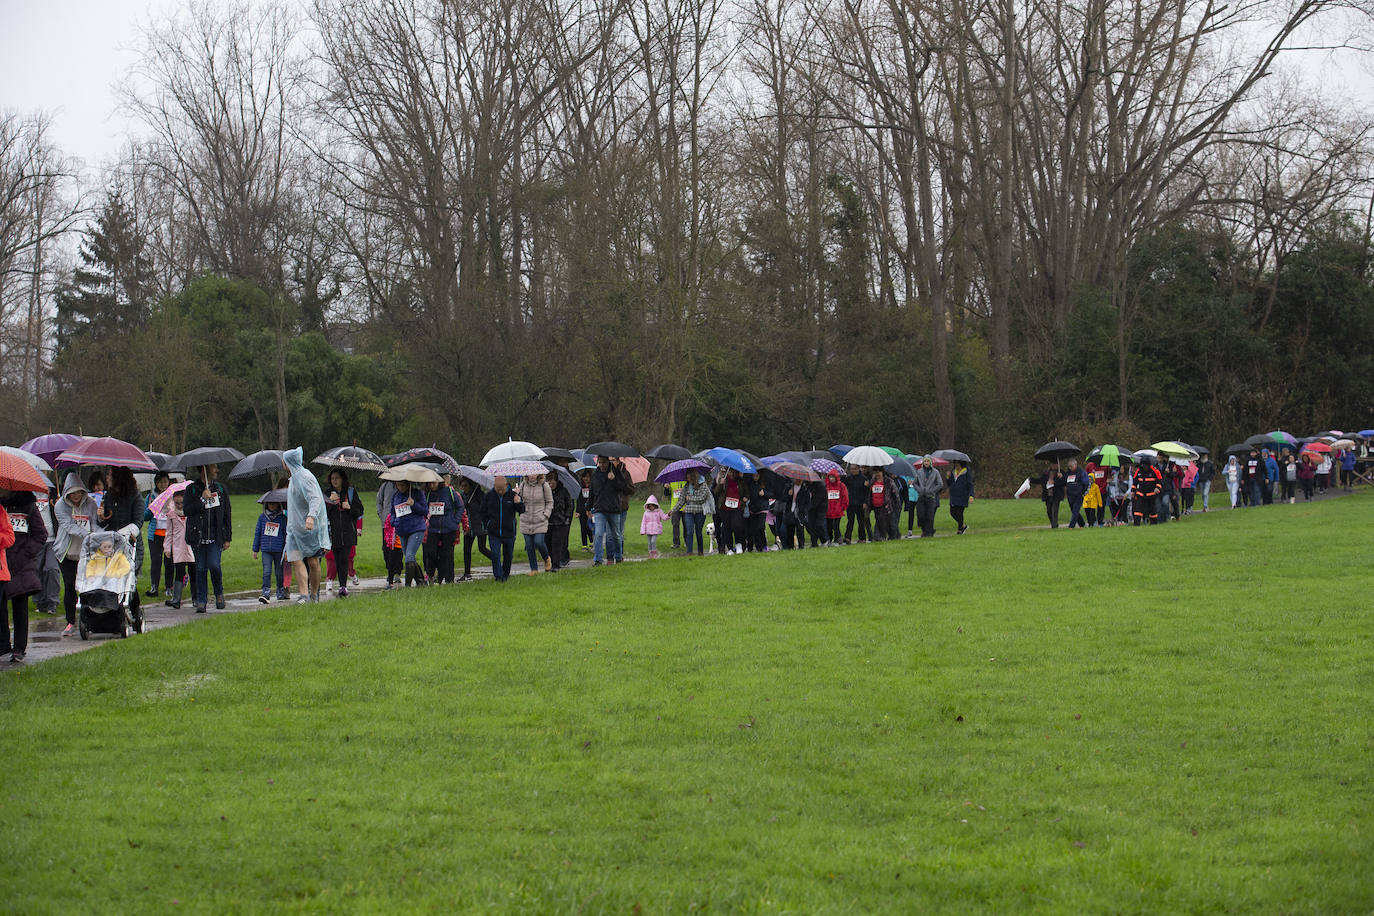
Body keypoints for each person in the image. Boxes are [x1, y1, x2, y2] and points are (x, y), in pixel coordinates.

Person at [1, 486, 45, 663]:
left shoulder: (28, 505)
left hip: (21, 562)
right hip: (3, 561)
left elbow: (40, 534)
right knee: (1, 607)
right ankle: (3, 644)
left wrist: (26, 553)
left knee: (20, 607)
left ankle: (20, 647)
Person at [283, 448, 330, 603]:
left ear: (289, 462)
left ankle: (314, 594)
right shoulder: (293, 479)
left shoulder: (305, 477)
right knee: (295, 559)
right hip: (295, 529)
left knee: (312, 561)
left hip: (310, 528)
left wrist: (310, 517)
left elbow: (315, 499)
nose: (282, 464)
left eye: (283, 460)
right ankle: (304, 595)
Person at [54, 473, 98, 636]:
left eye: (79, 492)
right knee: (70, 586)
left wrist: (97, 535)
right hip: (66, 553)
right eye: (72, 493)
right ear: (67, 493)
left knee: (87, 587)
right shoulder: (60, 506)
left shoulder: (91, 504)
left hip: (85, 553)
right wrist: (87, 534)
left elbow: (94, 525)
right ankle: (70, 622)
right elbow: (68, 526)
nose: (76, 496)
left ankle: (87, 619)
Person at [183, 464, 231, 613]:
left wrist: (227, 537)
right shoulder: (191, 489)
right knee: (200, 568)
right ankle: (201, 601)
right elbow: (187, 510)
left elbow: (227, 513)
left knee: (214, 565)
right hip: (198, 537)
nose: (217, 470)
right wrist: (202, 499)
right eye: (214, 467)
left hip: (215, 537)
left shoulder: (221, 489)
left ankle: (219, 593)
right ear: (204, 470)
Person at [323, 469, 363, 596]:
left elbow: (359, 511)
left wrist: (349, 508)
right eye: (332, 478)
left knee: (344, 559)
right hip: (333, 533)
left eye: (337, 478)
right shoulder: (327, 493)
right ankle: (341, 584)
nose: (334, 480)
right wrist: (330, 503)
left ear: (342, 479)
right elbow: (322, 513)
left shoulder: (350, 492)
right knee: (336, 558)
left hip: (348, 532)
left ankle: (343, 586)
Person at [589, 456, 632, 566]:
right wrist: (588, 507)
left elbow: (624, 488)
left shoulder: (617, 473)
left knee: (616, 535)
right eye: (600, 462)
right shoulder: (595, 475)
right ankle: (598, 559)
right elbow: (592, 492)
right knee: (598, 534)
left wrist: (614, 480)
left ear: (608, 462)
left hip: (613, 509)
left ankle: (618, 557)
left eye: (604, 462)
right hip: (599, 509)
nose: (602, 465)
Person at [422, 476, 463, 584]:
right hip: (433, 528)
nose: (431, 485)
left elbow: (460, 506)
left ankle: (447, 579)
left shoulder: (449, 492)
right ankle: (431, 575)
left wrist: (455, 521)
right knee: (431, 553)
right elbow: (424, 508)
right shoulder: (427, 494)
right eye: (429, 483)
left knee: (447, 554)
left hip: (449, 528)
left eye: (433, 483)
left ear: (439, 481)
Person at [482, 475, 523, 581]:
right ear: (494, 486)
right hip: (494, 532)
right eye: (497, 489)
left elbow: (522, 510)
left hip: (509, 532)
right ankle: (498, 576)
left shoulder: (513, 495)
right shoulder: (489, 496)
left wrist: (518, 503)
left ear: (506, 485)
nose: (500, 491)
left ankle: (506, 573)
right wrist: (487, 524)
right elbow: (483, 512)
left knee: (508, 555)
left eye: (502, 489)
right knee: (495, 554)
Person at [390, 478, 429, 587]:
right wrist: (394, 522)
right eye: (398, 485)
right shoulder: (396, 496)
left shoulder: (417, 493)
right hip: (402, 530)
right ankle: (421, 582)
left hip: (416, 529)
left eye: (403, 485)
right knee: (409, 557)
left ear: (408, 484)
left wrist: (413, 504)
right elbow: (392, 512)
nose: (401, 487)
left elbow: (425, 511)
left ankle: (408, 585)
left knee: (409, 557)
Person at [161, 490, 194, 609]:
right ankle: (176, 599)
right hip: (178, 547)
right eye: (177, 503)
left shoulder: (191, 513)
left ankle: (196, 598)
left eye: (182, 503)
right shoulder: (171, 515)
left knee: (193, 572)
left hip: (191, 547)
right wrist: (167, 548)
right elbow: (168, 533)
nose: (179, 505)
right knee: (179, 572)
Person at [251, 498, 289, 603]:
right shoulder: (262, 518)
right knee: (266, 571)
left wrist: (287, 550)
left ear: (278, 505)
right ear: (266, 505)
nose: (272, 506)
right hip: (266, 550)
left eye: (274, 504)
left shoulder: (283, 519)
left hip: (279, 550)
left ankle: (280, 591)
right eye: (270, 504)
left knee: (279, 573)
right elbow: (257, 533)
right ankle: (266, 592)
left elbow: (287, 535)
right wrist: (255, 549)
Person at [143, 472, 174, 597]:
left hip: (169, 534)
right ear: (156, 483)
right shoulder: (150, 497)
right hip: (155, 535)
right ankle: (154, 586)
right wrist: (151, 508)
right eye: (160, 482)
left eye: (165, 482)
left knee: (169, 562)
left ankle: (169, 587)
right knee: (156, 561)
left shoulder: (172, 496)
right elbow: (145, 517)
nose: (163, 484)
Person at [518, 473, 553, 575]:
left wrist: (545, 514)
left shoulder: (544, 485)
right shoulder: (523, 485)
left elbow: (550, 502)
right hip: (526, 519)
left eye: (534, 473)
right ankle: (534, 569)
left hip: (540, 520)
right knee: (529, 546)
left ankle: (546, 558)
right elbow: (519, 501)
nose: (532, 475)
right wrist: (516, 496)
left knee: (539, 542)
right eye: (529, 473)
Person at [457, 478, 490, 580]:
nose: (463, 488)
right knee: (467, 550)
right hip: (468, 527)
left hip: (480, 526)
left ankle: (497, 562)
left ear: (471, 485)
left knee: (482, 548)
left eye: (465, 486)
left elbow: (485, 509)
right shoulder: (463, 496)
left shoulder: (480, 495)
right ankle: (467, 573)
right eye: (462, 486)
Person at [714, 468, 747, 555]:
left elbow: (747, 493)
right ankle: (730, 548)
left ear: (736, 472)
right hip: (724, 508)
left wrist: (744, 499)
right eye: (730, 472)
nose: (731, 474)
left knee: (737, 526)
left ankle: (739, 544)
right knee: (726, 528)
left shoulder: (741, 481)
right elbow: (716, 492)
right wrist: (720, 484)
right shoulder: (723, 479)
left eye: (733, 472)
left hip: (737, 508)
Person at [678, 470, 711, 556]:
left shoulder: (703, 485)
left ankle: (700, 551)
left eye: (690, 478)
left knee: (698, 532)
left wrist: (690, 499)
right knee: (689, 531)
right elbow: (681, 500)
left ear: (694, 477)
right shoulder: (686, 487)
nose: (688, 480)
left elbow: (702, 498)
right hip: (689, 512)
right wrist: (673, 510)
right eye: (687, 478)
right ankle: (689, 552)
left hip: (700, 512)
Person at [911, 456, 944, 537]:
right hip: (921, 496)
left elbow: (940, 484)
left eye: (928, 461)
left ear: (930, 462)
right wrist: (919, 490)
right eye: (925, 461)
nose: (926, 463)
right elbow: (915, 483)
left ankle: (928, 533)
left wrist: (932, 490)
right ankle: (925, 530)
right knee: (921, 515)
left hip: (930, 497)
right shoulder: (919, 472)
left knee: (929, 516)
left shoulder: (935, 472)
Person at [547, 473, 574, 570]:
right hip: (547, 521)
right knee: (548, 543)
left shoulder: (563, 491)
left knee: (557, 543)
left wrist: (566, 516)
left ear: (556, 481)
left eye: (552, 483)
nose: (550, 485)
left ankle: (556, 565)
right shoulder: (545, 491)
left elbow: (569, 505)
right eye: (548, 483)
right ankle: (550, 562)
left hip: (560, 522)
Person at [842, 467, 870, 544]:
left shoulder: (864, 479)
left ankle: (862, 538)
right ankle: (847, 537)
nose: (852, 470)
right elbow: (842, 484)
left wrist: (865, 502)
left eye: (854, 469)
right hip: (851, 503)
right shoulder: (848, 478)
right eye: (851, 469)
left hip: (860, 503)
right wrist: (843, 476)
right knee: (850, 521)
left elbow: (867, 492)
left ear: (858, 469)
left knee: (861, 522)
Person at [1132, 456, 1163, 525]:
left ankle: (1154, 524)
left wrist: (1157, 488)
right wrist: (1133, 491)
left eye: (1145, 465)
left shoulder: (1155, 470)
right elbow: (1135, 482)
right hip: (1140, 494)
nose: (1144, 467)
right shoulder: (1138, 471)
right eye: (1143, 465)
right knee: (1138, 510)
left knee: (1152, 511)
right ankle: (1136, 525)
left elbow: (1160, 481)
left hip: (1151, 494)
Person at [744, 472, 769, 551]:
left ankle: (764, 545)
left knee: (761, 527)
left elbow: (771, 493)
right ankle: (759, 547)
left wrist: (764, 493)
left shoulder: (765, 483)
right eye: (754, 475)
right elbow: (748, 493)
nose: (755, 477)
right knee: (754, 529)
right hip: (753, 509)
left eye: (757, 476)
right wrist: (746, 497)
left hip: (763, 508)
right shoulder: (750, 483)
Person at [1063, 458, 1090, 529]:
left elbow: (1086, 482)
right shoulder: (1068, 473)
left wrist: (1083, 492)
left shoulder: (1081, 472)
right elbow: (1064, 482)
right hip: (1070, 495)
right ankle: (1082, 524)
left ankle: (1071, 526)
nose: (1070, 468)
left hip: (1079, 494)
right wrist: (1061, 477)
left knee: (1075, 510)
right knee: (1073, 510)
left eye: (1071, 466)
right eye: (1069, 466)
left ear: (1075, 465)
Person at [823, 469, 848, 544]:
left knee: (836, 526)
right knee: (829, 527)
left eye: (833, 477)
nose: (831, 479)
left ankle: (838, 538)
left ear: (836, 477)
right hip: (828, 511)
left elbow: (845, 497)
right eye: (830, 477)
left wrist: (842, 508)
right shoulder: (826, 485)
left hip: (838, 511)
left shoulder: (841, 485)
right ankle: (830, 539)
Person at [1036, 463, 1065, 528]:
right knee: (1049, 510)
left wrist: (1061, 477)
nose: (1054, 466)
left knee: (1055, 510)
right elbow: (1040, 480)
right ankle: (1053, 522)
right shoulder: (1046, 472)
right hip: (1048, 495)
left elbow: (1064, 482)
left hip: (1056, 495)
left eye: (1056, 464)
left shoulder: (1061, 472)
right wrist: (1031, 480)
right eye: (1053, 464)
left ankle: (1054, 525)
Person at [947, 461, 973, 534]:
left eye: (957, 463)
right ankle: (963, 525)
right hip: (953, 495)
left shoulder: (966, 472)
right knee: (952, 512)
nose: (956, 465)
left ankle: (960, 529)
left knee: (959, 512)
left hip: (962, 495)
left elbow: (970, 484)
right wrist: (948, 477)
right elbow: (949, 484)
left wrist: (971, 495)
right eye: (955, 463)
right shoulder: (953, 472)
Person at [869, 470, 893, 541]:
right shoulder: (872, 481)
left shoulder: (888, 481)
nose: (877, 474)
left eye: (878, 472)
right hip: (875, 504)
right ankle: (883, 535)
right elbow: (870, 492)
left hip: (884, 504)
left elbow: (894, 492)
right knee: (878, 520)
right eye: (875, 472)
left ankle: (882, 536)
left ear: (882, 472)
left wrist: (896, 503)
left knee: (881, 519)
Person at [575, 469, 594, 552]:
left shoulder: (593, 486)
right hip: (582, 510)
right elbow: (579, 500)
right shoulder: (580, 487)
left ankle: (592, 542)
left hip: (591, 510)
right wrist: (578, 511)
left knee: (590, 527)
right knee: (583, 528)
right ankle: (584, 545)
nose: (585, 479)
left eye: (587, 477)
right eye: (584, 477)